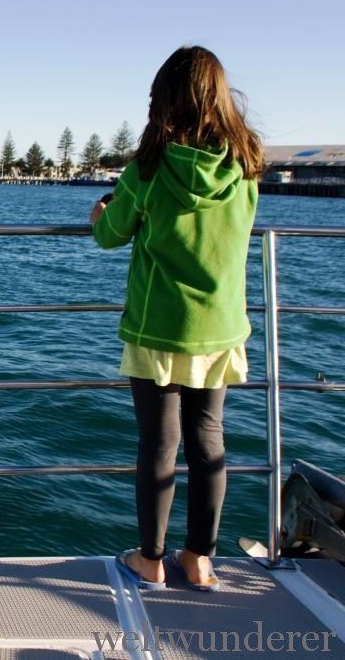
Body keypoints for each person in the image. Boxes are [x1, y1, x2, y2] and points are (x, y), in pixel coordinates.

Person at [90, 45, 263, 591]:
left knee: (159, 447)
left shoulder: (149, 167)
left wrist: (103, 211)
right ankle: (200, 560)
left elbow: (110, 234)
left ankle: (150, 560)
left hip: (157, 330)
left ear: (162, 100)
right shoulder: (245, 165)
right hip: (219, 328)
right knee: (209, 443)